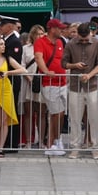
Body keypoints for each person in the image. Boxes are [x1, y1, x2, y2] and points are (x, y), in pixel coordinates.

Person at [62, 22, 98, 160]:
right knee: (74, 118)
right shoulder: (70, 44)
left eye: (86, 39)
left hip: (92, 85)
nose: (84, 41)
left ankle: (96, 148)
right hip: (75, 86)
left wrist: (89, 75)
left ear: (90, 33)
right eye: (81, 40)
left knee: (94, 118)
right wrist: (75, 65)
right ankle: (75, 147)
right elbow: (63, 63)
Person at [35, 19, 67, 156]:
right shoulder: (40, 42)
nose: (62, 30)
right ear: (52, 29)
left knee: (60, 113)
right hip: (49, 82)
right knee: (56, 113)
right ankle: (54, 141)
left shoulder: (60, 42)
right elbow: (38, 58)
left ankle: (56, 140)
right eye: (59, 28)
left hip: (63, 82)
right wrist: (46, 71)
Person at [19, 24, 46, 150]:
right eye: (38, 34)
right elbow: (22, 65)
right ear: (33, 35)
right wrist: (28, 78)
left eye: (42, 33)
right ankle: (29, 141)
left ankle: (41, 141)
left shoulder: (46, 47)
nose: (40, 36)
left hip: (42, 82)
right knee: (28, 112)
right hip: (28, 81)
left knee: (41, 113)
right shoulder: (26, 49)